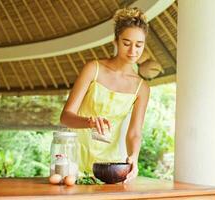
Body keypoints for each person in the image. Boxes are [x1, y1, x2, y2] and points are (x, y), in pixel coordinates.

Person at [60, 7, 150, 183]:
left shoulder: (142, 88)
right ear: (116, 41)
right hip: (73, 160)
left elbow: (134, 132)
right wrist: (89, 122)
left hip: (107, 168)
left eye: (139, 45)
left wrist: (134, 156)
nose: (133, 50)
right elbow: (65, 117)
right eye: (126, 43)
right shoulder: (93, 69)